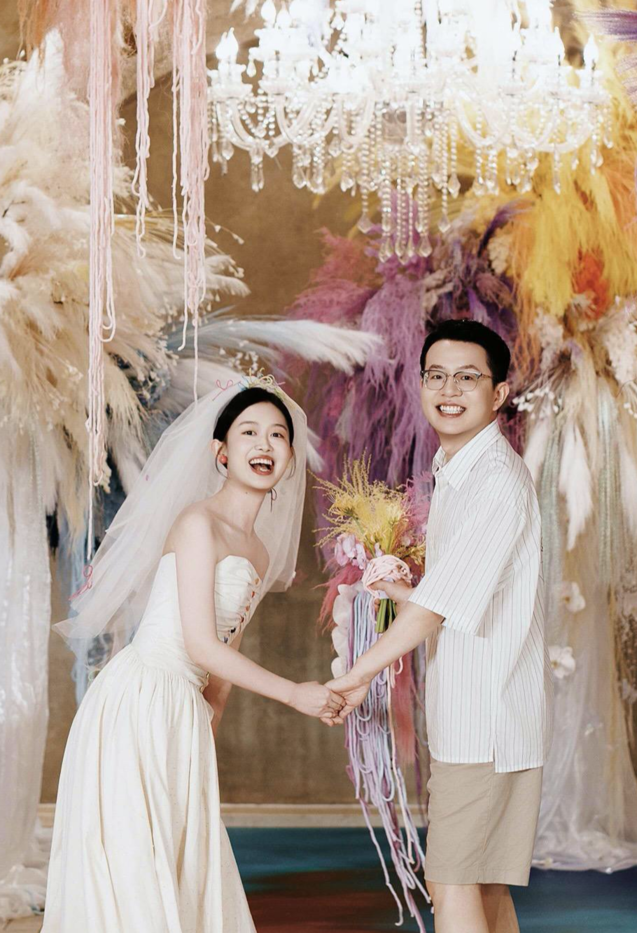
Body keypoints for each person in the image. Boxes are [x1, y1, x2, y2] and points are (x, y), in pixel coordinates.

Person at [44, 380, 341, 933]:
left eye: (278, 435)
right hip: (141, 696)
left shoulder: (259, 550)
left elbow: (222, 657)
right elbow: (200, 644)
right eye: (249, 432)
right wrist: (294, 693)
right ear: (220, 452)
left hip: (183, 710)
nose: (265, 444)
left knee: (182, 850)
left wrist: (206, 730)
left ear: (290, 457)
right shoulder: (197, 523)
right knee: (135, 859)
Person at [328, 319, 546, 933]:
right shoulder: (458, 470)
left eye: (468, 377)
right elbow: (455, 593)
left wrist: (355, 678)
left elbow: (434, 611)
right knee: (483, 889)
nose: (449, 389)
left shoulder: (494, 481)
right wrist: (398, 586)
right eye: (437, 375)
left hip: (485, 725)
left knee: (450, 885)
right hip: (488, 718)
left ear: (499, 393)